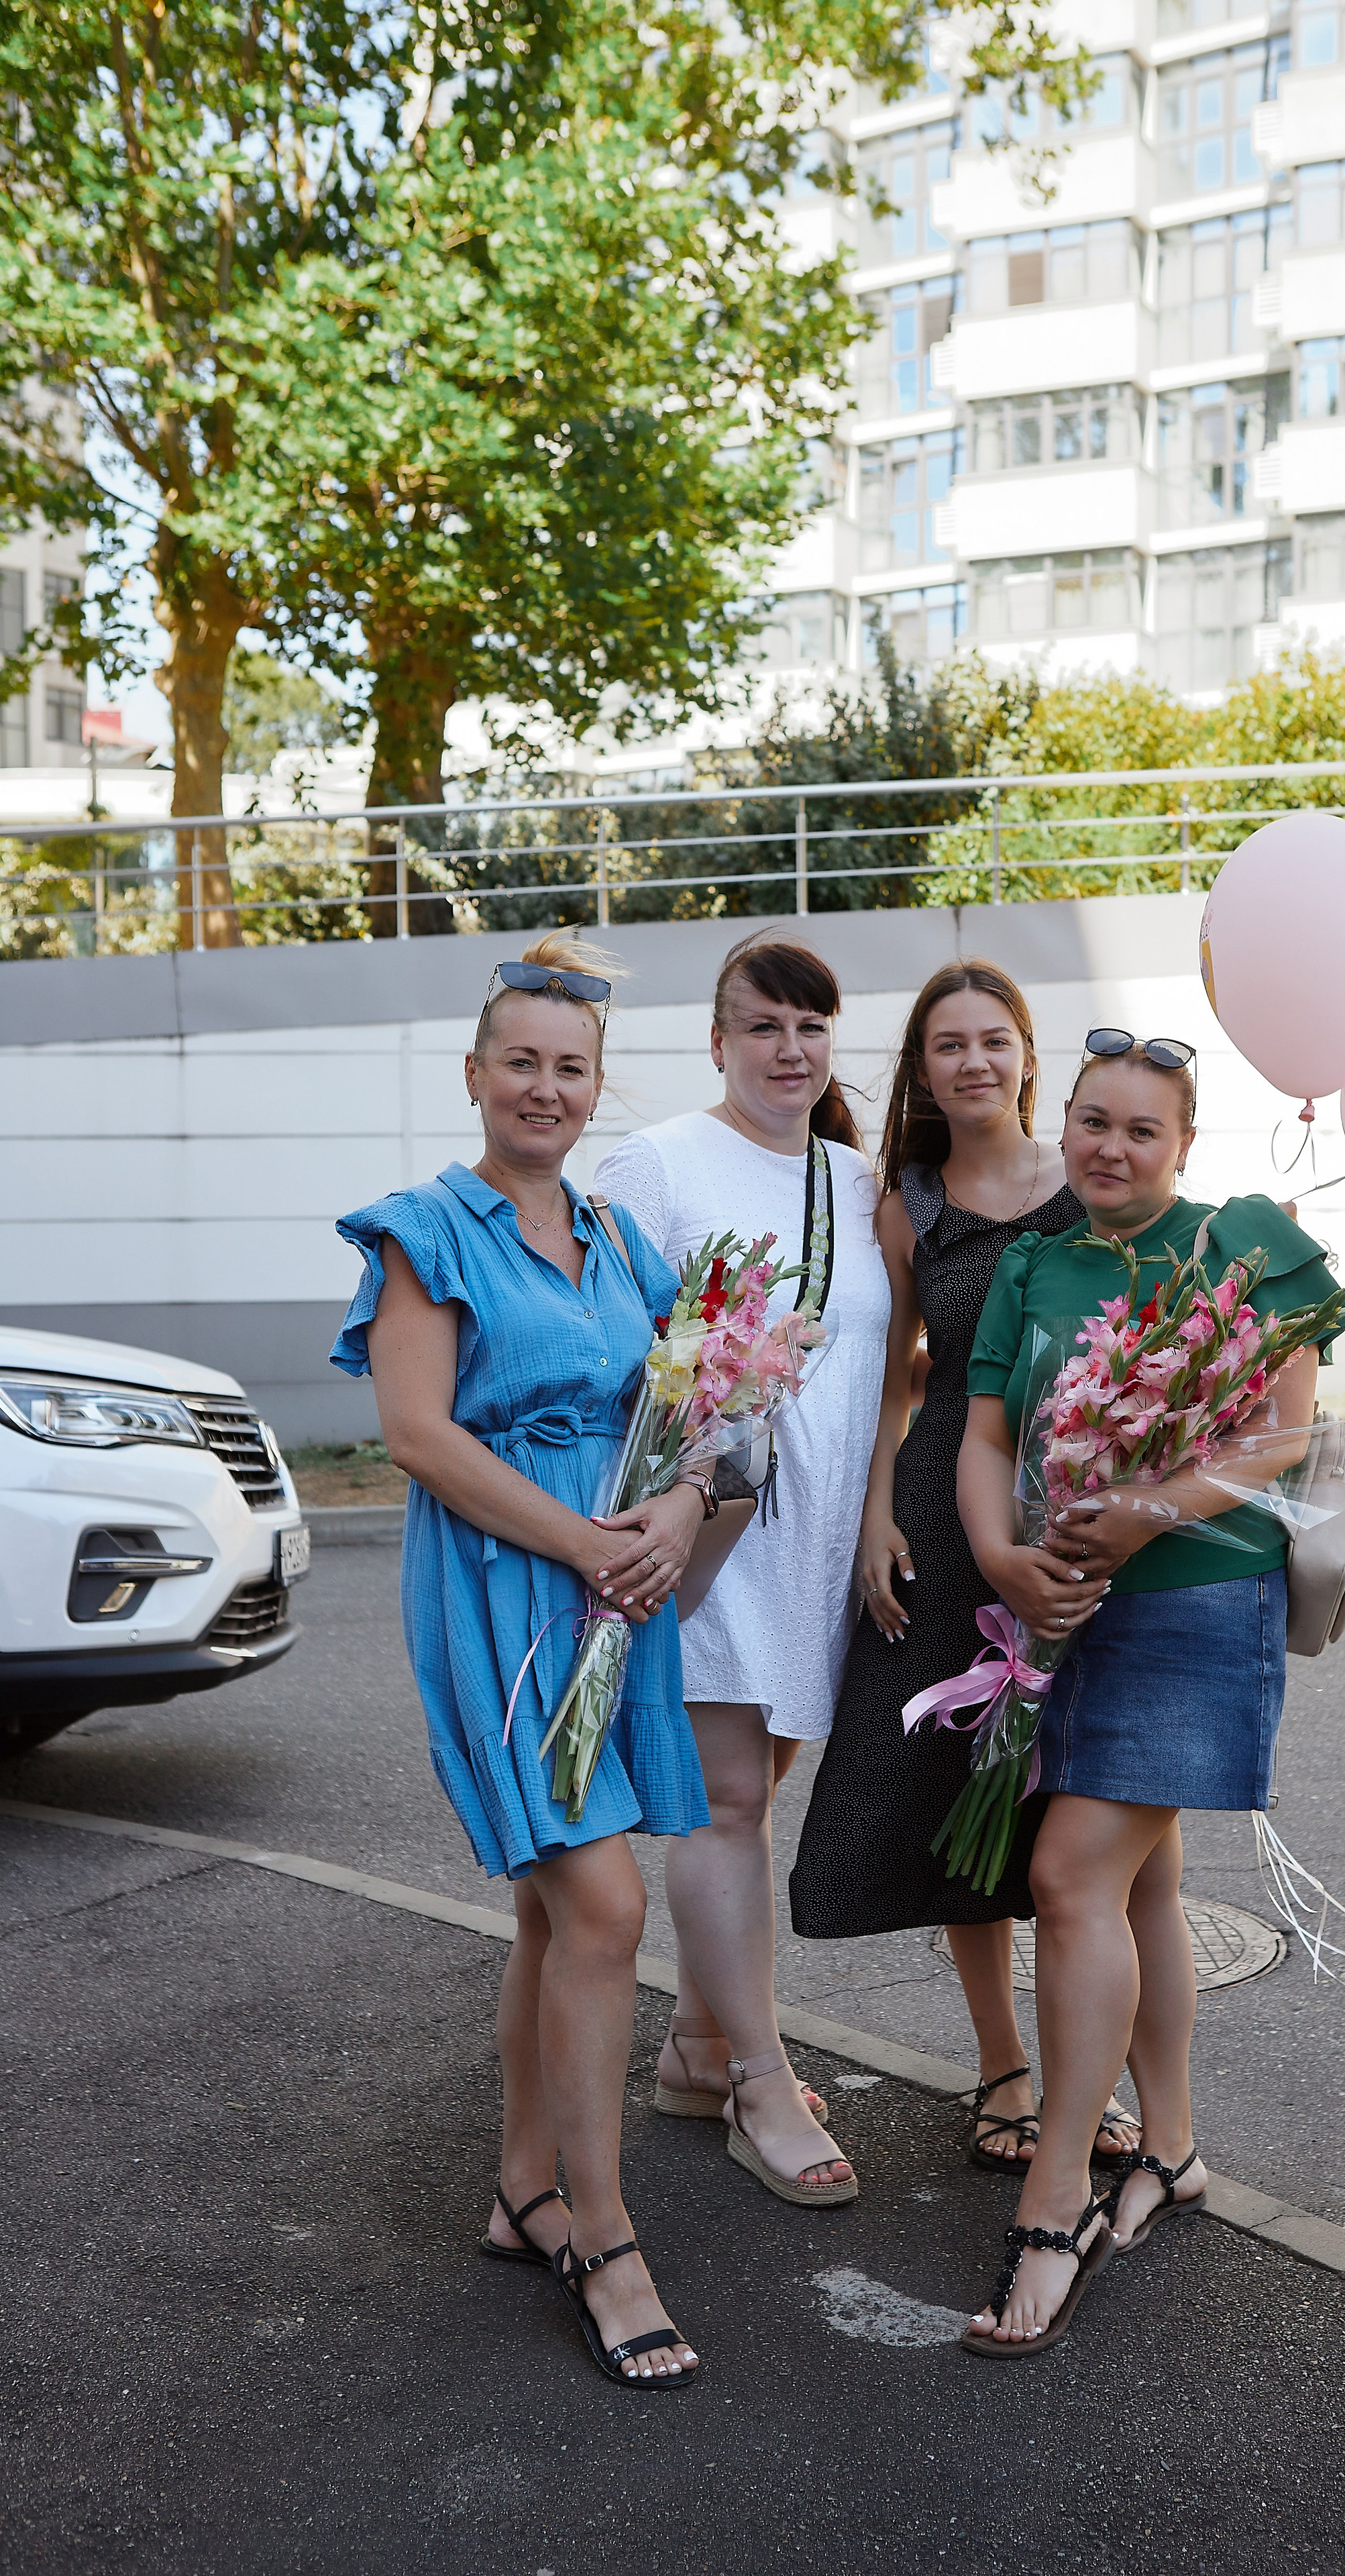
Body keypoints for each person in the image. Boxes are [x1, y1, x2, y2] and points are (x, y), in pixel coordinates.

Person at [330, 932, 709, 2390]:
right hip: (505, 1590)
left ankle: (524, 2188)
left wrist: (673, 1510)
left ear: (596, 1084)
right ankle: (603, 2235)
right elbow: (418, 1436)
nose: (543, 1088)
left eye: (570, 1067)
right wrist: (583, 1541)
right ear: (476, 1073)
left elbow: (693, 1406)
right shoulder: (426, 1228)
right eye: (520, 1062)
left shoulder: (619, 1241)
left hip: (615, 1586)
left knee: (561, 1916)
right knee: (602, 1902)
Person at [953, 1033, 1345, 2357]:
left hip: (1191, 1603)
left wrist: (1133, 1520)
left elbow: (1278, 1433)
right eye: (1089, 1122)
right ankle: (1170, 2148)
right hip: (1065, 1604)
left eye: (1138, 1128)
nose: (1109, 1147)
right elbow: (987, 1439)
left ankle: (1056, 2190)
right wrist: (1006, 1560)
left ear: (1180, 1144)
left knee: (1070, 1879)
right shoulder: (1030, 1262)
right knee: (1140, 1886)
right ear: (1058, 1126)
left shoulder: (1238, 1243)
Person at [791, 961, 1142, 2176]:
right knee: (955, 1788)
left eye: (994, 1041)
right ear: (923, 1071)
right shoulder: (912, 1203)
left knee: (1090, 1808)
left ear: (1027, 1055)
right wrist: (876, 1517)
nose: (974, 1063)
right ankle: (1003, 2068)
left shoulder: (1085, 1178)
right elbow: (900, 1376)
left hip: (1088, 1504)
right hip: (950, 1503)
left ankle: (1100, 2086)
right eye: (949, 1046)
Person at [594, 932, 891, 2205]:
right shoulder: (658, 1162)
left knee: (757, 1786)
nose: (788, 1050)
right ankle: (763, 2081)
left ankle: (698, 2050)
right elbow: (605, 1344)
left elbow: (897, 1366)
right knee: (725, 1801)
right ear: (718, 1042)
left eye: (809, 1029)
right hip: (713, 1525)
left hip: (822, 1538)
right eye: (762, 1027)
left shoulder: (858, 1175)